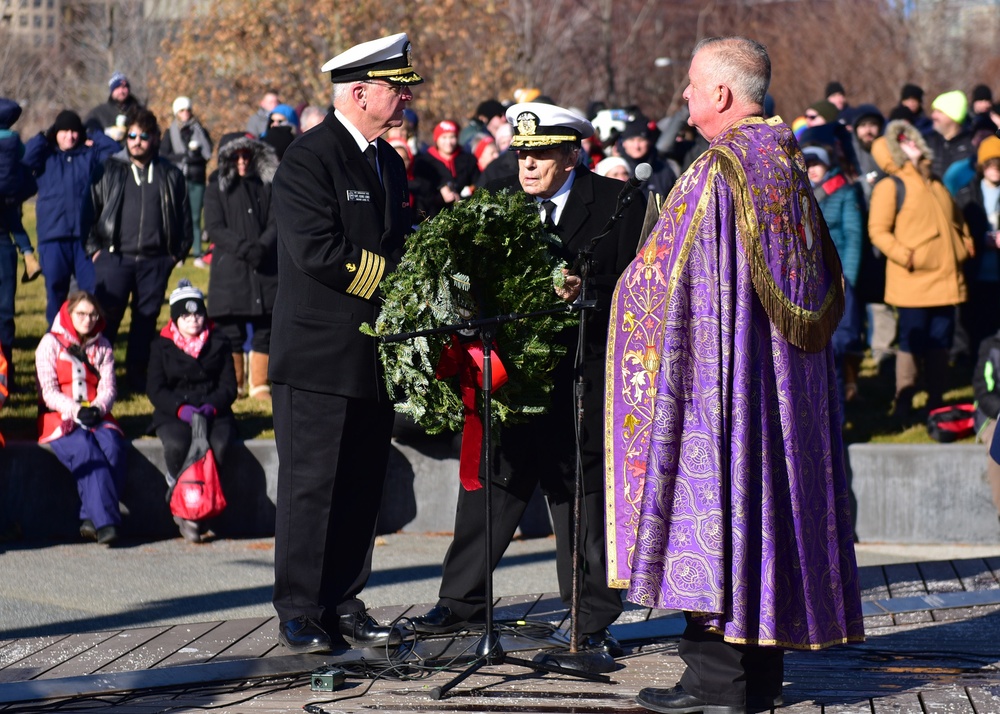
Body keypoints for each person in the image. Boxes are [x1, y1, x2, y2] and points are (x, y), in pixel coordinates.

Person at [606, 37, 864, 714]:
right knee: (765, 509)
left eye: (692, 85)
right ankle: (757, 680)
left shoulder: (719, 169)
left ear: (722, 93)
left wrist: (618, 276)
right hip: (778, 386)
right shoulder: (782, 160)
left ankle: (716, 685)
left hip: (722, 383)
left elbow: (663, 282)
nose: (686, 97)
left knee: (719, 507)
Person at [410, 102, 646, 657]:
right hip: (511, 379)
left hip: (580, 380)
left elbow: (641, 288)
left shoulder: (617, 204)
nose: (528, 164)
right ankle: (460, 602)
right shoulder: (501, 205)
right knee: (493, 485)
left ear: (572, 155)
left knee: (579, 499)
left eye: (540, 154)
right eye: (521, 153)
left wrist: (585, 289)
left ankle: (588, 617)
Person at [269, 31, 422, 654]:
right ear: (360, 92)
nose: (405, 97)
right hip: (317, 355)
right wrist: (403, 283)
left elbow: (398, 235)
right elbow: (320, 252)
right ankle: (301, 609)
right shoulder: (310, 157)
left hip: (371, 352)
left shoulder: (386, 160)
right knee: (312, 486)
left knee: (361, 483)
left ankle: (344, 599)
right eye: (396, 88)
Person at [868, 119, 972, 421]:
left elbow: (957, 220)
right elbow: (878, 231)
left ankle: (936, 403)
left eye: (912, 138)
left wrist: (965, 244)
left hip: (946, 278)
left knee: (941, 341)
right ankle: (904, 401)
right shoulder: (891, 185)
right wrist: (908, 257)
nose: (911, 143)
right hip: (913, 280)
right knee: (911, 341)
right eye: (902, 140)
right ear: (893, 150)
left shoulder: (936, 182)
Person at [88, 106, 193, 392]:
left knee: (145, 321)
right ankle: (99, 375)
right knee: (106, 320)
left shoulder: (171, 174)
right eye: (132, 135)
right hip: (114, 258)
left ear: (156, 139)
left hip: (155, 260)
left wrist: (176, 254)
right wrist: (95, 249)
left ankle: (136, 374)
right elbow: (90, 211)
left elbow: (185, 218)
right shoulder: (109, 169)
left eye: (143, 136)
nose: (136, 141)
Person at [147, 280, 238, 543]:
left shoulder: (219, 341)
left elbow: (229, 386)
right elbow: (155, 388)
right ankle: (182, 502)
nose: (193, 320)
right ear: (175, 319)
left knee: (219, 446)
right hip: (176, 411)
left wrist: (212, 406)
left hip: (212, 409)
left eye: (198, 314)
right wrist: (181, 409)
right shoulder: (161, 345)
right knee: (177, 445)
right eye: (185, 316)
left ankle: (209, 504)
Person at [35, 291, 126, 546]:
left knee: (113, 448)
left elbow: (109, 387)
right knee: (86, 451)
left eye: (93, 314)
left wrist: (98, 408)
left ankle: (89, 518)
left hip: (97, 413)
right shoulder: (49, 344)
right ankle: (107, 523)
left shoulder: (103, 345)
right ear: (69, 313)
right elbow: (48, 391)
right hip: (60, 416)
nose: (88, 319)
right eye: (82, 314)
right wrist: (76, 410)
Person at [22, 109, 119, 327]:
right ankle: (56, 339)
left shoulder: (89, 157)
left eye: (75, 131)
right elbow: (25, 158)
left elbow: (115, 151)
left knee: (91, 293)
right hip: (53, 238)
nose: (70, 136)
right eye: (64, 131)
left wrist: (92, 134)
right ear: (56, 133)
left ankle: (90, 340)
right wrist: (44, 136)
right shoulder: (46, 157)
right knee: (55, 290)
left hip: (86, 240)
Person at [203, 132, 278, 400]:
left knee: (265, 326)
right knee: (230, 328)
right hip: (231, 266)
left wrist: (262, 247)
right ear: (226, 159)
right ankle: (235, 383)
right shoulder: (216, 189)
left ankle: (260, 383)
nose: (242, 162)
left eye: (247, 155)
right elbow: (214, 227)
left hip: (265, 265)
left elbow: (275, 220)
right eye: (236, 156)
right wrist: (246, 249)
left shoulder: (266, 185)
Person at [804, 144, 865, 403]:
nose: (812, 170)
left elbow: (853, 235)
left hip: (838, 275)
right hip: (812, 278)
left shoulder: (843, 191)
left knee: (838, 344)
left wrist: (847, 277)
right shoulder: (799, 192)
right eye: (807, 164)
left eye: (817, 163)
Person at [954, 135, 1000, 361]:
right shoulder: (966, 194)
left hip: (996, 275)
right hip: (975, 271)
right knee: (973, 323)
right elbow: (960, 231)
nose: (995, 170)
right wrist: (983, 241)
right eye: (990, 164)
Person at [160, 97, 213, 268]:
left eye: (188, 110)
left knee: (196, 217)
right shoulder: (170, 132)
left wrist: (195, 156)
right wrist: (183, 157)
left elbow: (208, 151)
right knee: (178, 216)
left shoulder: (199, 130)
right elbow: (164, 154)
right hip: (178, 179)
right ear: (177, 113)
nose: (186, 114)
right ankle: (179, 253)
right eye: (182, 110)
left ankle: (197, 252)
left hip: (196, 178)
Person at [0, 97, 41, 285]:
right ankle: (29, 256)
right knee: (15, 224)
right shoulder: (14, 139)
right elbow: (24, 155)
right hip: (10, 195)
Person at [412, 120, 479, 217]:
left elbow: (477, 183)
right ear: (436, 139)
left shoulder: (468, 160)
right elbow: (422, 192)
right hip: (434, 216)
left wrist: (464, 196)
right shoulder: (424, 162)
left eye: (452, 137)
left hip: (465, 213)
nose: (448, 142)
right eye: (444, 137)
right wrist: (440, 196)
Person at [617, 117, 676, 200]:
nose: (636, 146)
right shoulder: (617, 169)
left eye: (641, 140)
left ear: (649, 142)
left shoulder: (663, 169)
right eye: (631, 140)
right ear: (623, 143)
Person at [85, 72, 142, 144]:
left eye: (124, 87)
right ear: (112, 91)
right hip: (108, 153)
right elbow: (88, 131)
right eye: (117, 87)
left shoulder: (139, 111)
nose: (121, 91)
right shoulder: (99, 113)